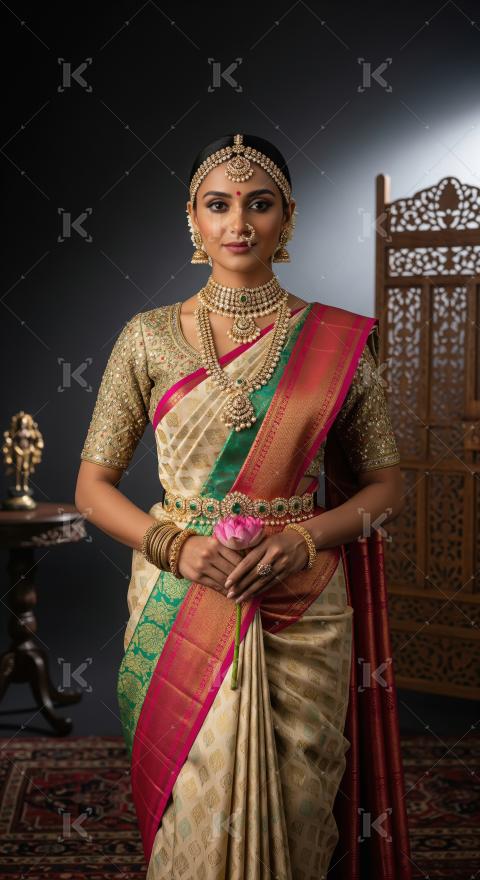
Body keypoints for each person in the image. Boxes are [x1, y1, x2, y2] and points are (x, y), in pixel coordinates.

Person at [75, 133, 412, 879]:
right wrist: (176, 547)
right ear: (192, 217)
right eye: (218, 204)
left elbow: (387, 487)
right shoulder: (146, 338)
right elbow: (92, 488)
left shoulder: (338, 340)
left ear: (286, 217)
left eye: (259, 204)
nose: (238, 223)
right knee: (192, 794)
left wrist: (303, 540)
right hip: (179, 594)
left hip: (302, 599)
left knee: (300, 799)